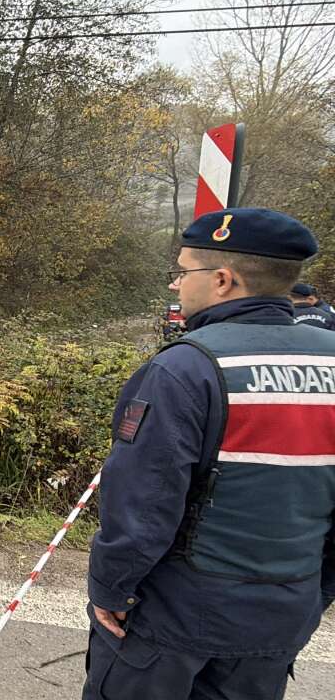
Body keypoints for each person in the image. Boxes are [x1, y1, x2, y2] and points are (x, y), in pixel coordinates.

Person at [83, 208, 335, 700]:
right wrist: (316, 592)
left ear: (223, 280)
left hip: (175, 616)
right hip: (282, 612)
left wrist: (112, 589)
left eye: (183, 271)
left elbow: (144, 503)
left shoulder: (187, 366)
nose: (177, 285)